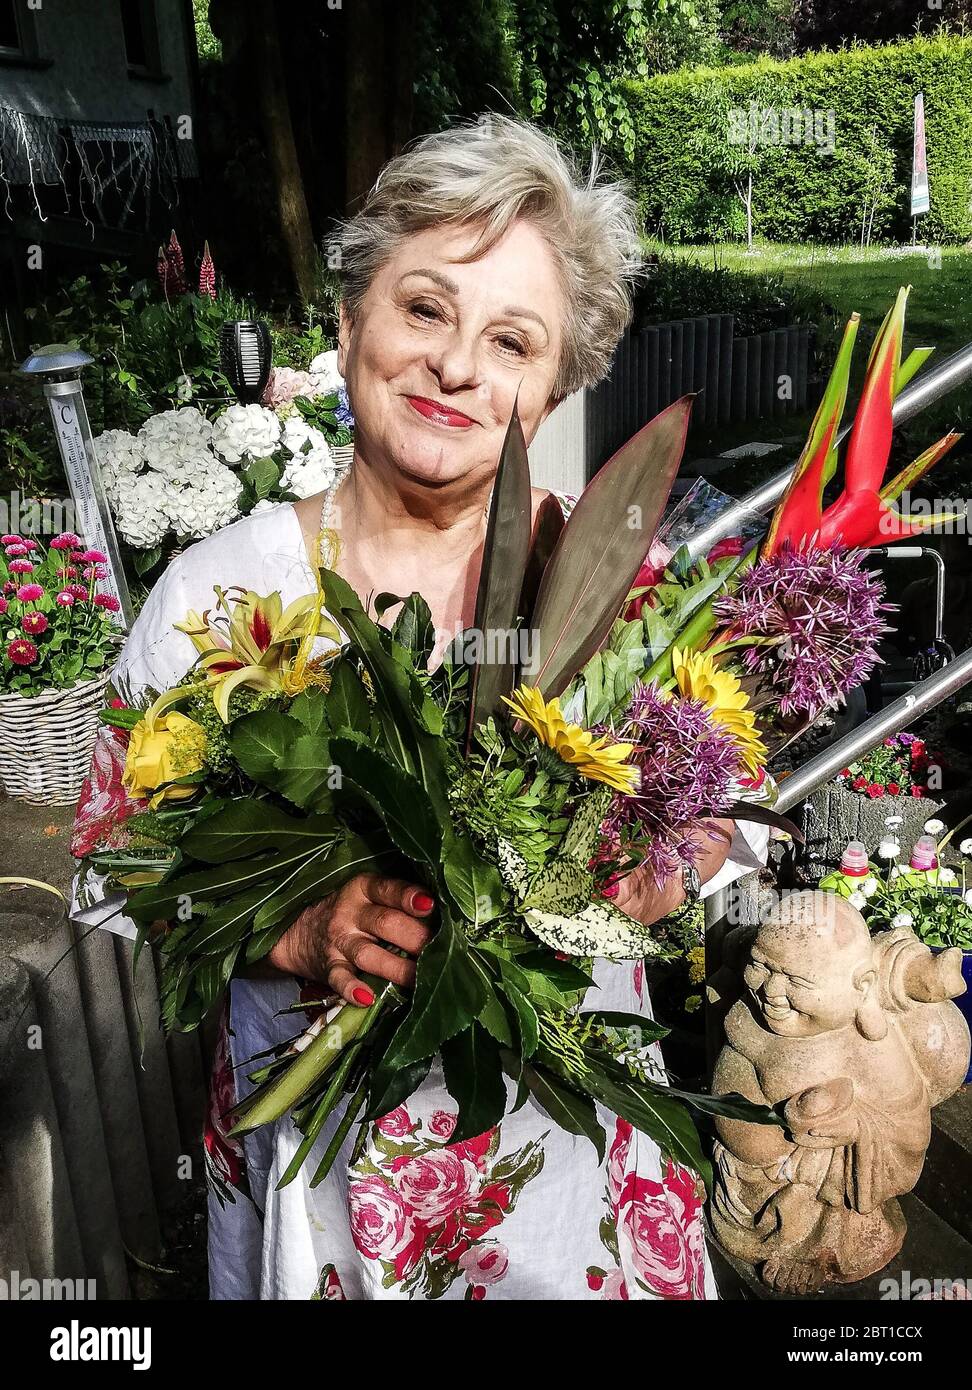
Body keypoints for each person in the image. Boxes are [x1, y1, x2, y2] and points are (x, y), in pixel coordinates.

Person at [72, 116, 767, 1300]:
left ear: (554, 387)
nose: (455, 366)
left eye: (512, 341)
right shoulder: (220, 595)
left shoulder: (621, 594)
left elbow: (723, 813)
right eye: (425, 309)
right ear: (350, 325)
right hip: (328, 1175)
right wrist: (295, 929)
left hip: (561, 1169)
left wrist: (651, 868)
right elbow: (114, 854)